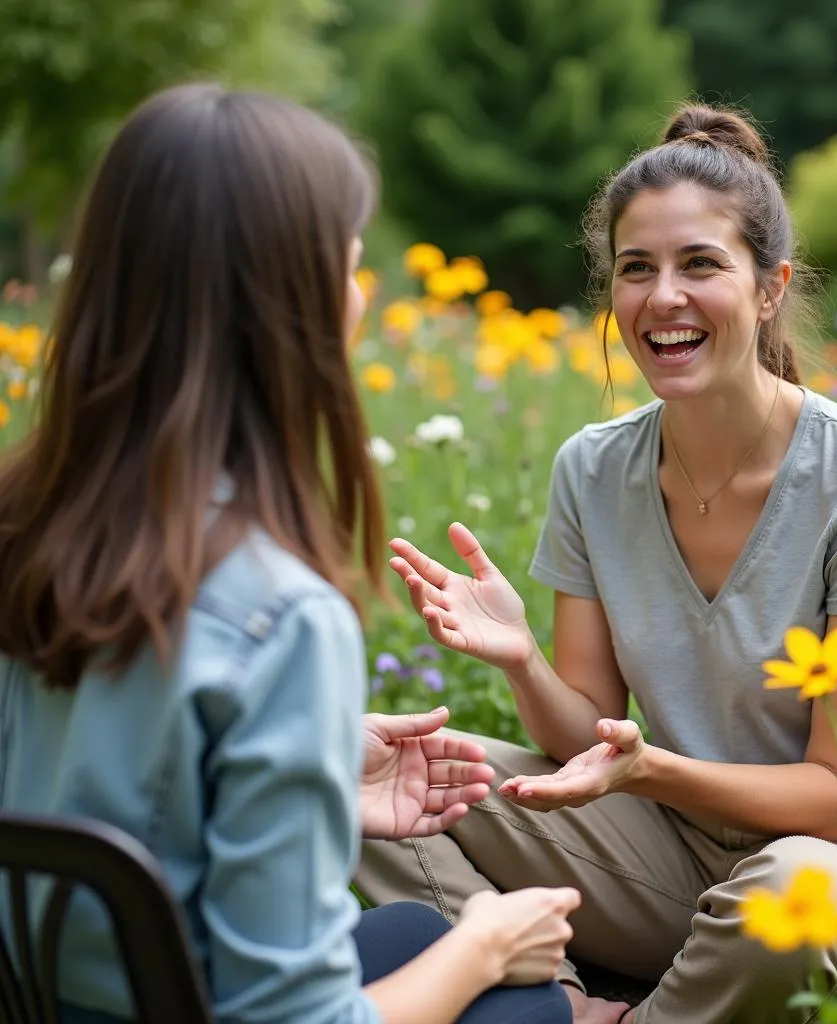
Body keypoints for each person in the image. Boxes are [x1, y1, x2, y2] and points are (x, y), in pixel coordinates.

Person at [357, 104, 837, 1024]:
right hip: (670, 858)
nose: (663, 298)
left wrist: (647, 770)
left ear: (771, 287)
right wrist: (522, 659)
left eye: (700, 265)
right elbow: (589, 745)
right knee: (395, 781)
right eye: (636, 269)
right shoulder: (593, 468)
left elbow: (833, 794)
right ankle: (556, 1001)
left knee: (779, 893)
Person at [0, 83, 578, 1024]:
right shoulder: (276, 613)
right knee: (519, 997)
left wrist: (319, 775)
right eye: (350, 265)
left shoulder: (31, 524)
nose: (362, 297)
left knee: (406, 937)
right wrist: (486, 943)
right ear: (291, 303)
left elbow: (89, 817)